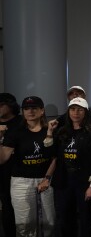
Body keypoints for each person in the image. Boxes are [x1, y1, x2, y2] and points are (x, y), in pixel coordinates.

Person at [0, 96, 56, 237]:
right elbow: (2, 159)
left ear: (42, 110)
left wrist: (47, 178)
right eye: (26, 109)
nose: (30, 111)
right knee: (24, 224)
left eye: (34, 108)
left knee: (48, 223)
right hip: (21, 182)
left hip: (45, 180)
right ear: (22, 112)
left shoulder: (49, 130)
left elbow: (55, 158)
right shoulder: (16, 132)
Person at [52, 97, 91, 237]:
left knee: (85, 218)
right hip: (64, 181)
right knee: (65, 217)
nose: (76, 113)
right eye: (73, 109)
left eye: (80, 110)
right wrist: (50, 133)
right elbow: (53, 155)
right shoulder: (61, 132)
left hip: (83, 181)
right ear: (68, 112)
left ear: (85, 112)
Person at [0, 93, 22, 237]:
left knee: (18, 208)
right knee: (6, 207)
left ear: (11, 105)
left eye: (1, 105)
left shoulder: (22, 122)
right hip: (2, 172)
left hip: (18, 172)